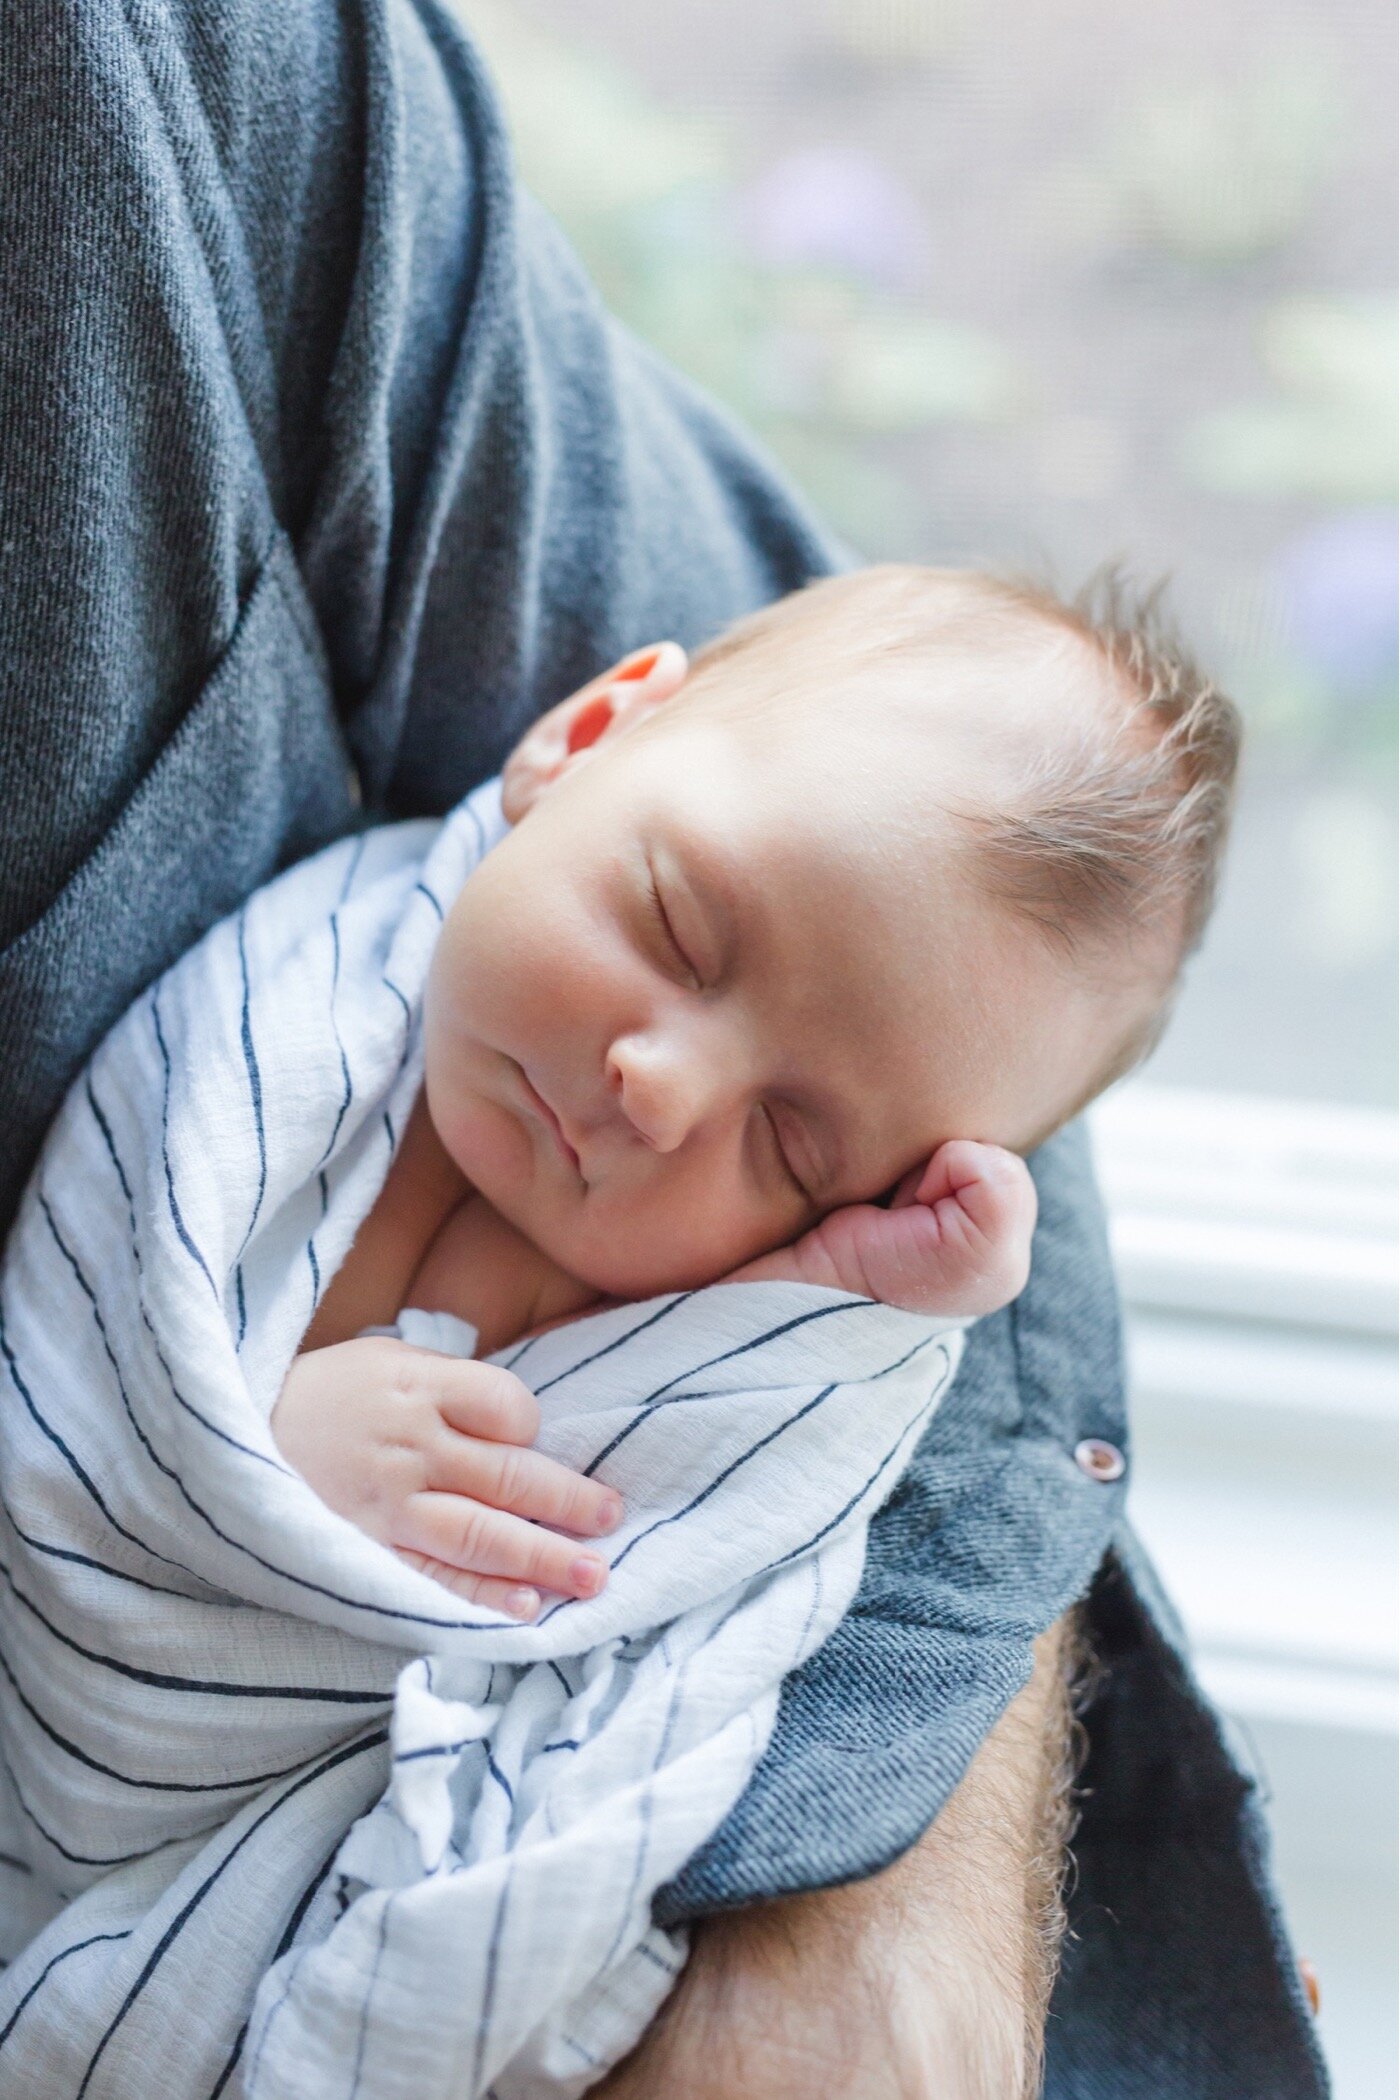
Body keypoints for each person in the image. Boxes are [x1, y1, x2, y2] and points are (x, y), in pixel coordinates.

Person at [0, 4, 1327, 2094]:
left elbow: (733, 1522)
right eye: (679, 934)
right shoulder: (330, 1014)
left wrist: (876, 1298)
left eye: (793, 1142)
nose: (659, 1087)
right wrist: (270, 1476)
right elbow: (106, 1435)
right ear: (574, 739)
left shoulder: (181, 87)